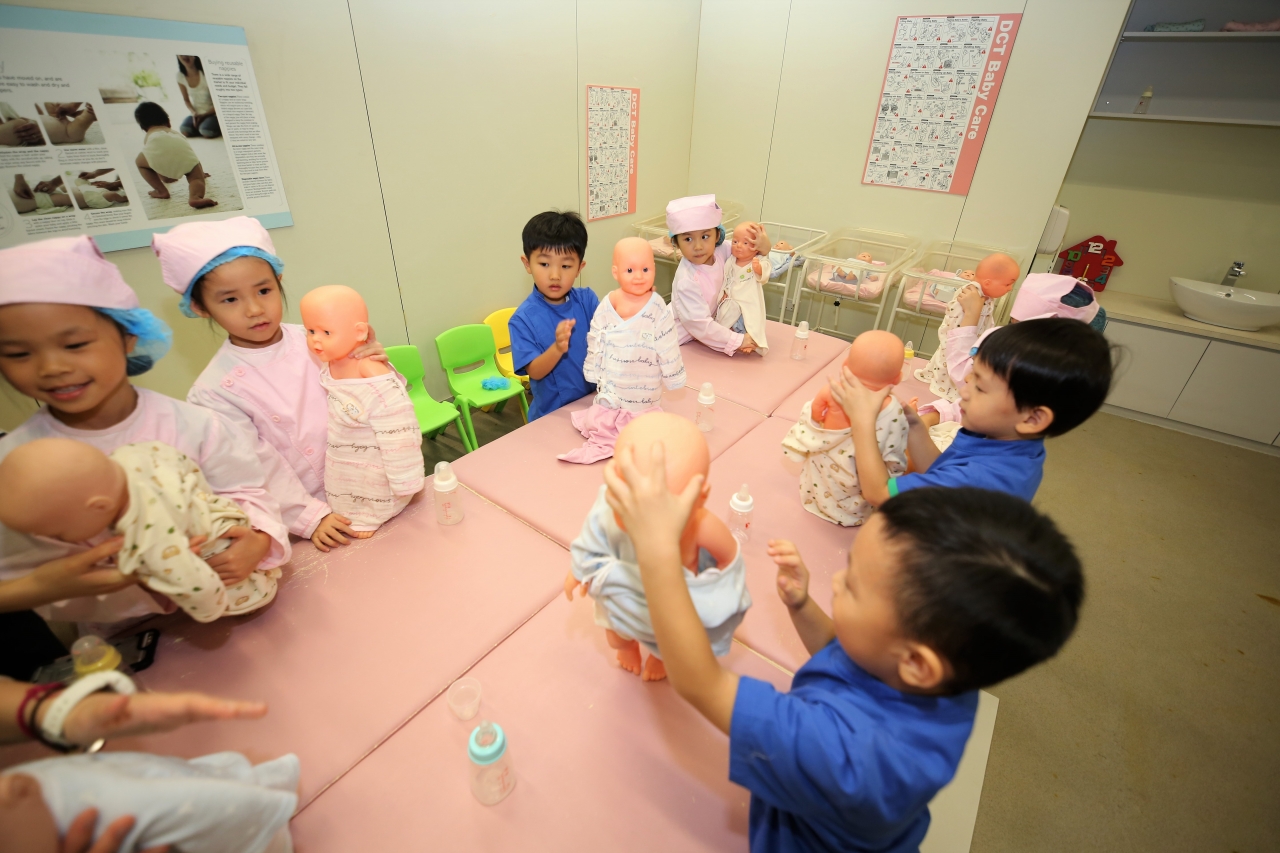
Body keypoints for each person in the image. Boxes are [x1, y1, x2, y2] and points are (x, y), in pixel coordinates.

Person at [604, 449, 1084, 853]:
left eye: (852, 585)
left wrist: (657, 552)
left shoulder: (845, 756)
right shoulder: (943, 672)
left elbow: (700, 682)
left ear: (918, 662)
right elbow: (846, 655)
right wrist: (803, 606)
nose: (835, 580)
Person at [0, 236, 289, 627]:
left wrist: (258, 539)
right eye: (18, 353)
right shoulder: (14, 465)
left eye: (76, 344)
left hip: (238, 602)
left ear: (127, 336)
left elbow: (248, 490)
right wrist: (45, 585)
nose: (52, 368)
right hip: (131, 629)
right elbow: (13, 573)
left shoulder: (195, 424)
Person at [154, 216, 390, 552]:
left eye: (263, 291)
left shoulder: (317, 339)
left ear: (278, 281)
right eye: (230, 299)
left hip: (372, 486)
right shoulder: (214, 391)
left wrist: (375, 364)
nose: (254, 309)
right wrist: (311, 516)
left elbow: (378, 401)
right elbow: (250, 466)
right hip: (311, 516)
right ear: (200, 307)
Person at [833, 318, 1114, 505]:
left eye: (980, 386)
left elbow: (879, 493)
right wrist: (915, 425)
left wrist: (862, 422)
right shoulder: (1005, 441)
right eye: (972, 375)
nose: (965, 388)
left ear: (1032, 418)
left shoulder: (983, 479)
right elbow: (940, 470)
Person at [0, 439, 280, 623]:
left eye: (60, 532)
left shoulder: (148, 536)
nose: (62, 539)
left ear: (99, 506)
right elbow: (182, 462)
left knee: (239, 600)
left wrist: (210, 610)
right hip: (221, 513)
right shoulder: (133, 455)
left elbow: (193, 583)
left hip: (221, 550)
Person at [567, 413, 749, 682]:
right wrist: (579, 569)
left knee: (667, 645)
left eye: (659, 508)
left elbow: (730, 562)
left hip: (670, 602)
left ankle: (658, 657)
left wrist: (713, 595)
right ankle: (627, 647)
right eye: (623, 495)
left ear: (698, 500)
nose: (636, 515)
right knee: (616, 636)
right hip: (624, 594)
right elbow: (592, 536)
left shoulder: (703, 526)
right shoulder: (609, 505)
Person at [916, 272, 1110, 449]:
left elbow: (968, 382)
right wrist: (935, 414)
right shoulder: (1003, 408)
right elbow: (974, 401)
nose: (968, 380)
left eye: (979, 382)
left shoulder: (991, 456)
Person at [559, 237, 685, 464]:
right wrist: (592, 369)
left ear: (654, 269)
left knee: (644, 424)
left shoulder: (657, 307)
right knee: (608, 411)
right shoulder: (608, 304)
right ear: (615, 272)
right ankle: (610, 429)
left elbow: (668, 343)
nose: (638, 276)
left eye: (645, 269)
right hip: (614, 379)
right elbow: (595, 337)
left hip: (644, 383)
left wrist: (673, 376)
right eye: (629, 270)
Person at [509, 210, 598, 420]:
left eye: (566, 266)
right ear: (527, 264)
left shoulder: (587, 300)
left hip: (592, 405)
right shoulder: (522, 320)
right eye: (544, 264)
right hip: (551, 415)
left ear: (579, 268)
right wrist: (557, 348)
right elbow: (535, 371)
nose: (555, 275)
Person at [666, 194, 768, 356]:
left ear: (718, 236)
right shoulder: (686, 280)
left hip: (702, 330)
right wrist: (738, 340)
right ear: (676, 243)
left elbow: (746, 255)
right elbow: (699, 324)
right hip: (671, 333)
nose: (698, 246)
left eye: (705, 237)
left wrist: (764, 247)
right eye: (688, 239)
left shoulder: (721, 250)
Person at [132, 102, 216, 209]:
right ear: (168, 122)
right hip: (185, 155)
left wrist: (164, 176)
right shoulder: (175, 133)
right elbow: (191, 156)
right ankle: (195, 197)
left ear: (144, 128)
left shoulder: (150, 135)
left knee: (140, 162)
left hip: (158, 158)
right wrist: (200, 173)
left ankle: (161, 191)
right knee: (195, 176)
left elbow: (155, 156)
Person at [176, 56, 219, 139]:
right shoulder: (180, 76)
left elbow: (218, 103)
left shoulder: (206, 73)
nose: (184, 56)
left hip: (213, 113)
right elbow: (186, 100)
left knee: (206, 132)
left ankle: (204, 127)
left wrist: (204, 116)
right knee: (184, 130)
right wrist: (194, 114)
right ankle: (201, 127)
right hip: (197, 113)